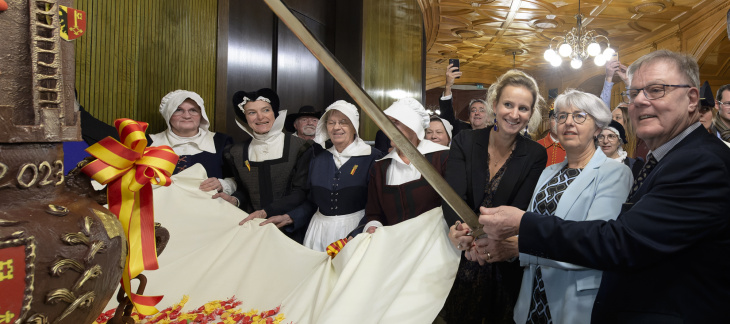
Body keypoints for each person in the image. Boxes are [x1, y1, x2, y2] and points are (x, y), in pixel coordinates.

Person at [478, 50, 730, 323]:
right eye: (633, 94)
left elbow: (619, 242)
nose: (641, 101)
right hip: (535, 298)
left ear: (692, 99)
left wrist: (523, 228)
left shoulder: (701, 161)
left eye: (656, 90)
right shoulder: (551, 169)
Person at [511, 89, 631, 323]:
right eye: (561, 116)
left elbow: (594, 243)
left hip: (573, 298)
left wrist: (521, 248)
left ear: (597, 128)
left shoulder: (614, 173)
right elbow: (529, 227)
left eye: (579, 116)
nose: (568, 123)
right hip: (532, 294)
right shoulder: (548, 172)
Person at [440, 70, 547, 324]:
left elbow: (518, 207)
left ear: (531, 114)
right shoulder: (465, 141)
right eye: (508, 104)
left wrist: (487, 242)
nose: (514, 114)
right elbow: (452, 196)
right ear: (495, 104)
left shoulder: (535, 154)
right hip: (461, 254)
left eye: (523, 108)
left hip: (502, 258)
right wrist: (459, 228)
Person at [215, 88, 313, 243]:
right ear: (244, 117)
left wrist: (266, 212)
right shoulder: (236, 152)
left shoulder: (300, 147)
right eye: (252, 112)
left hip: (291, 229)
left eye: (265, 110)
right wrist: (235, 200)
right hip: (253, 230)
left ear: (275, 112)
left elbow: (301, 192)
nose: (260, 117)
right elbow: (245, 190)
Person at [289, 100, 384, 251]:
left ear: (354, 126)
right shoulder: (318, 158)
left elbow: (379, 205)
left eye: (343, 122)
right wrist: (290, 217)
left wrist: (360, 231)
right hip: (318, 231)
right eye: (331, 122)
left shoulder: (373, 157)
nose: (336, 127)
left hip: (355, 230)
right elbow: (312, 202)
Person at [361, 98, 449, 233]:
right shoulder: (380, 168)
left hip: (435, 245)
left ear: (413, 126)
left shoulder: (442, 158)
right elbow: (374, 213)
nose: (388, 128)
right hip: (396, 246)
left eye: (395, 122)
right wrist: (373, 226)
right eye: (388, 123)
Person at [149, 90, 236, 194]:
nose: (186, 116)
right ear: (168, 114)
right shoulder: (147, 143)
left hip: (208, 207)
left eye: (193, 110)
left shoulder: (221, 142)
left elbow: (239, 180)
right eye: (178, 110)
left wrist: (222, 184)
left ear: (201, 114)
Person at [440, 63, 489, 134]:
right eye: (473, 110)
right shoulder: (460, 130)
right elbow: (447, 117)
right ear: (469, 117)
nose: (477, 113)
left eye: (481, 110)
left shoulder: (494, 134)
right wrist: (448, 86)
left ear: (488, 117)